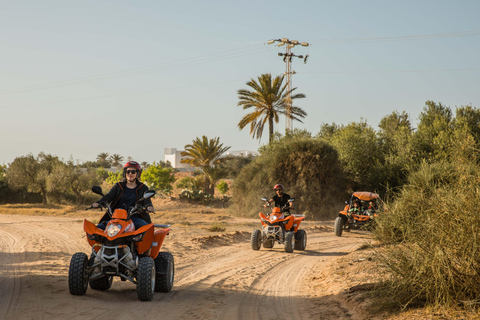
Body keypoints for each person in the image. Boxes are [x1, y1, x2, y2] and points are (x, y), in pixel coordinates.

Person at [92, 161, 154, 230]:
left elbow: (147, 200)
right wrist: (98, 203)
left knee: (146, 230)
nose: (130, 173)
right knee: (97, 230)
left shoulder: (143, 188)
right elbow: (108, 197)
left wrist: (149, 207)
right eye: (128, 171)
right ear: (125, 173)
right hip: (116, 218)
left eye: (133, 172)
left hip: (134, 218)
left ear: (137, 174)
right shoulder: (118, 186)